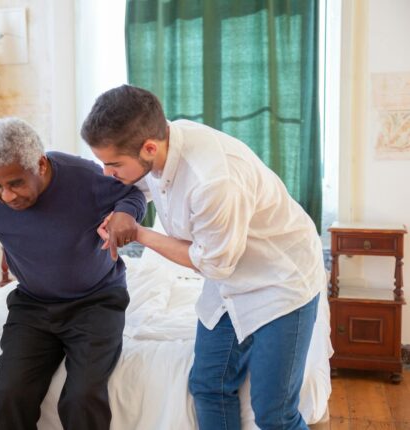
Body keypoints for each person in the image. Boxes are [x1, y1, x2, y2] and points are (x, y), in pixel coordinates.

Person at [81, 84, 326, 429]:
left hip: (281, 282)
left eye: (113, 164)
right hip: (229, 280)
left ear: (149, 147)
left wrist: (140, 234)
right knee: (208, 386)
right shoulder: (163, 144)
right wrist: (124, 211)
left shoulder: (212, 181)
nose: (108, 173)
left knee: (274, 413)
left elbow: (212, 263)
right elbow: (139, 186)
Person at [0, 117, 146, 430]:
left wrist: (124, 214)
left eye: (16, 183)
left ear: (40, 164)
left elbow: (132, 195)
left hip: (96, 302)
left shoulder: (83, 177)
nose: (6, 195)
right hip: (34, 305)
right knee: (10, 392)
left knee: (82, 397)